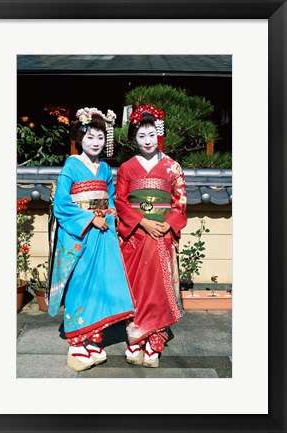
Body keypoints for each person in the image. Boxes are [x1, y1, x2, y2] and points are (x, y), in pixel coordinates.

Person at [47, 107, 135, 372]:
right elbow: (62, 204)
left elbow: (110, 196)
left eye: (100, 137)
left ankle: (95, 338)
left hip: (102, 232)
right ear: (79, 139)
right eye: (90, 138)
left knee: (101, 283)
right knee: (79, 283)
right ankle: (76, 342)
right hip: (80, 234)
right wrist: (89, 219)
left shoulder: (105, 168)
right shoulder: (71, 166)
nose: (95, 143)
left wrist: (109, 215)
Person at [115, 104, 188, 368]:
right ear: (134, 139)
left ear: (159, 134)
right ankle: (135, 338)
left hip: (162, 235)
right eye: (141, 136)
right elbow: (121, 202)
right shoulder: (126, 168)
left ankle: (155, 341)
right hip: (135, 235)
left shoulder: (172, 167)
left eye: (151, 135)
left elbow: (180, 202)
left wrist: (167, 225)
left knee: (157, 287)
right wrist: (143, 222)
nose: (147, 141)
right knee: (134, 286)